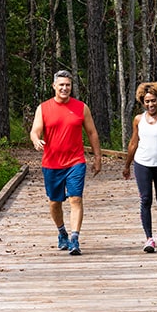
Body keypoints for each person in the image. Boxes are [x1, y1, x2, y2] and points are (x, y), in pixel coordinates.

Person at [29, 70, 103, 256]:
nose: (64, 88)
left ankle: (75, 238)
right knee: (55, 202)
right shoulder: (43, 108)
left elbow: (92, 133)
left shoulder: (81, 107)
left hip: (75, 161)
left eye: (68, 85)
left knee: (76, 198)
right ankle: (62, 232)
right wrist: (36, 140)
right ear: (54, 86)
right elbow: (35, 130)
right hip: (52, 163)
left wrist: (98, 157)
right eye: (61, 85)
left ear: (71, 87)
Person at [122, 82, 157, 253]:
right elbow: (133, 143)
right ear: (142, 102)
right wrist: (127, 165)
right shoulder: (138, 120)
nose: (150, 105)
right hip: (142, 163)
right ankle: (149, 238)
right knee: (145, 199)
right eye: (146, 101)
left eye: (153, 101)